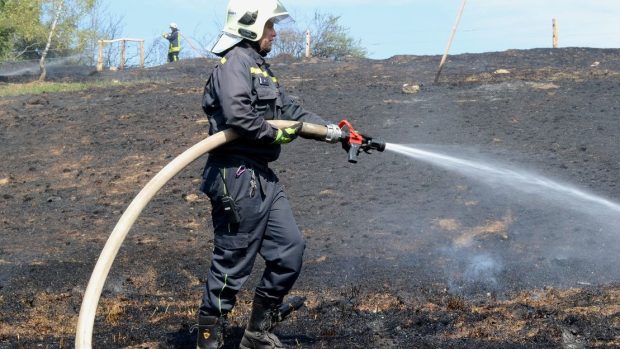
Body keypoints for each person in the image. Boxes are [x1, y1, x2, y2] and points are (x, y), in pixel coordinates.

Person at [194, 0, 339, 348]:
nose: (274, 32)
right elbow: (239, 115)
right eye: (270, 26)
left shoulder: (262, 68)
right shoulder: (234, 64)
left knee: (290, 249)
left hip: (262, 176)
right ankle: (208, 341)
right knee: (233, 258)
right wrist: (274, 133)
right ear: (251, 26)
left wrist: (335, 131)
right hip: (235, 173)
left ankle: (257, 333)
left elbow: (291, 111)